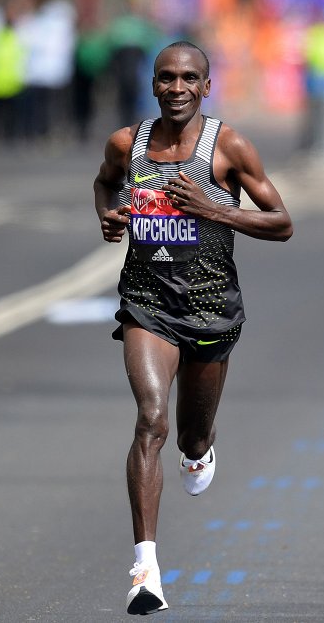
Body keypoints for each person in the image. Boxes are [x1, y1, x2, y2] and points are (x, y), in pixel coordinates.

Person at [93, 41, 292, 615]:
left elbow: (281, 223)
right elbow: (104, 183)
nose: (176, 88)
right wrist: (108, 217)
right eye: (165, 79)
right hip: (146, 302)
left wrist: (212, 209)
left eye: (188, 79)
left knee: (189, 435)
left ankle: (199, 450)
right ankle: (145, 570)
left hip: (210, 308)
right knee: (151, 420)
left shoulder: (227, 146)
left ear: (206, 87)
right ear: (152, 85)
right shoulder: (127, 144)